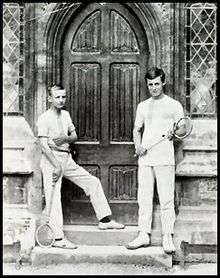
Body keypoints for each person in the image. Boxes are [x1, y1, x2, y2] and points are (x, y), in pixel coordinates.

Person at [37, 85, 124, 249]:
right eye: (57, 97)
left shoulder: (66, 115)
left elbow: (74, 136)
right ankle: (57, 239)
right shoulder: (44, 118)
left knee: (92, 182)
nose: (61, 100)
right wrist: (55, 166)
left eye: (63, 97)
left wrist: (65, 138)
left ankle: (104, 220)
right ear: (50, 98)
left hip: (66, 157)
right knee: (54, 198)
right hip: (50, 160)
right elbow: (43, 145)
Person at [126, 67, 184, 254]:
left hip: (165, 158)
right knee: (144, 198)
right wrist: (137, 146)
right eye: (150, 84)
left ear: (163, 83)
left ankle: (168, 237)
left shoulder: (174, 105)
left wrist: (174, 133)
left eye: (156, 84)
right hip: (145, 158)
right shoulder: (142, 106)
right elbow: (136, 130)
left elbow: (183, 129)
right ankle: (143, 234)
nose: (153, 88)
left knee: (167, 199)